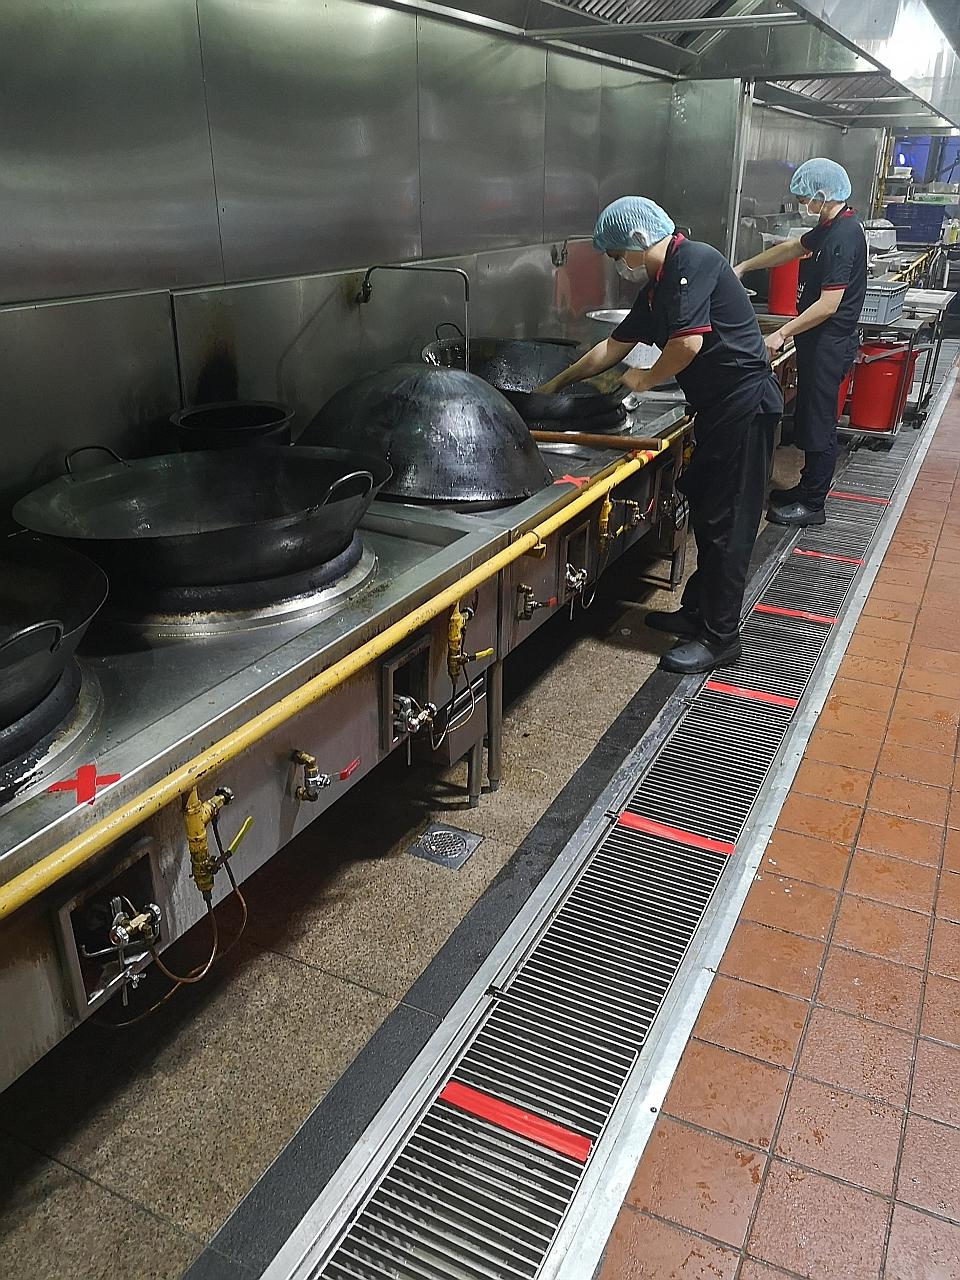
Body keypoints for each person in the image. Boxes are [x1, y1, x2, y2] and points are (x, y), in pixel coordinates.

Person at [538, 196, 782, 675]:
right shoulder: (656, 288)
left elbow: (687, 344)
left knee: (729, 525)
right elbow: (614, 345)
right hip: (718, 411)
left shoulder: (695, 260)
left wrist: (643, 381)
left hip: (745, 407)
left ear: (635, 239)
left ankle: (720, 638)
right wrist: (556, 384)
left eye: (615, 254)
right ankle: (699, 613)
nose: (616, 264)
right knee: (711, 518)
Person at [734, 157, 867, 527]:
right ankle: (806, 488)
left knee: (819, 420)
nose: (802, 205)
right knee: (810, 413)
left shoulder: (843, 236)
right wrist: (745, 266)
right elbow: (792, 248)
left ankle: (812, 504)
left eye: (805, 198)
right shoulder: (831, 225)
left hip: (830, 342)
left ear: (823, 195)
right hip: (818, 341)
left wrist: (781, 332)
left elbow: (829, 304)